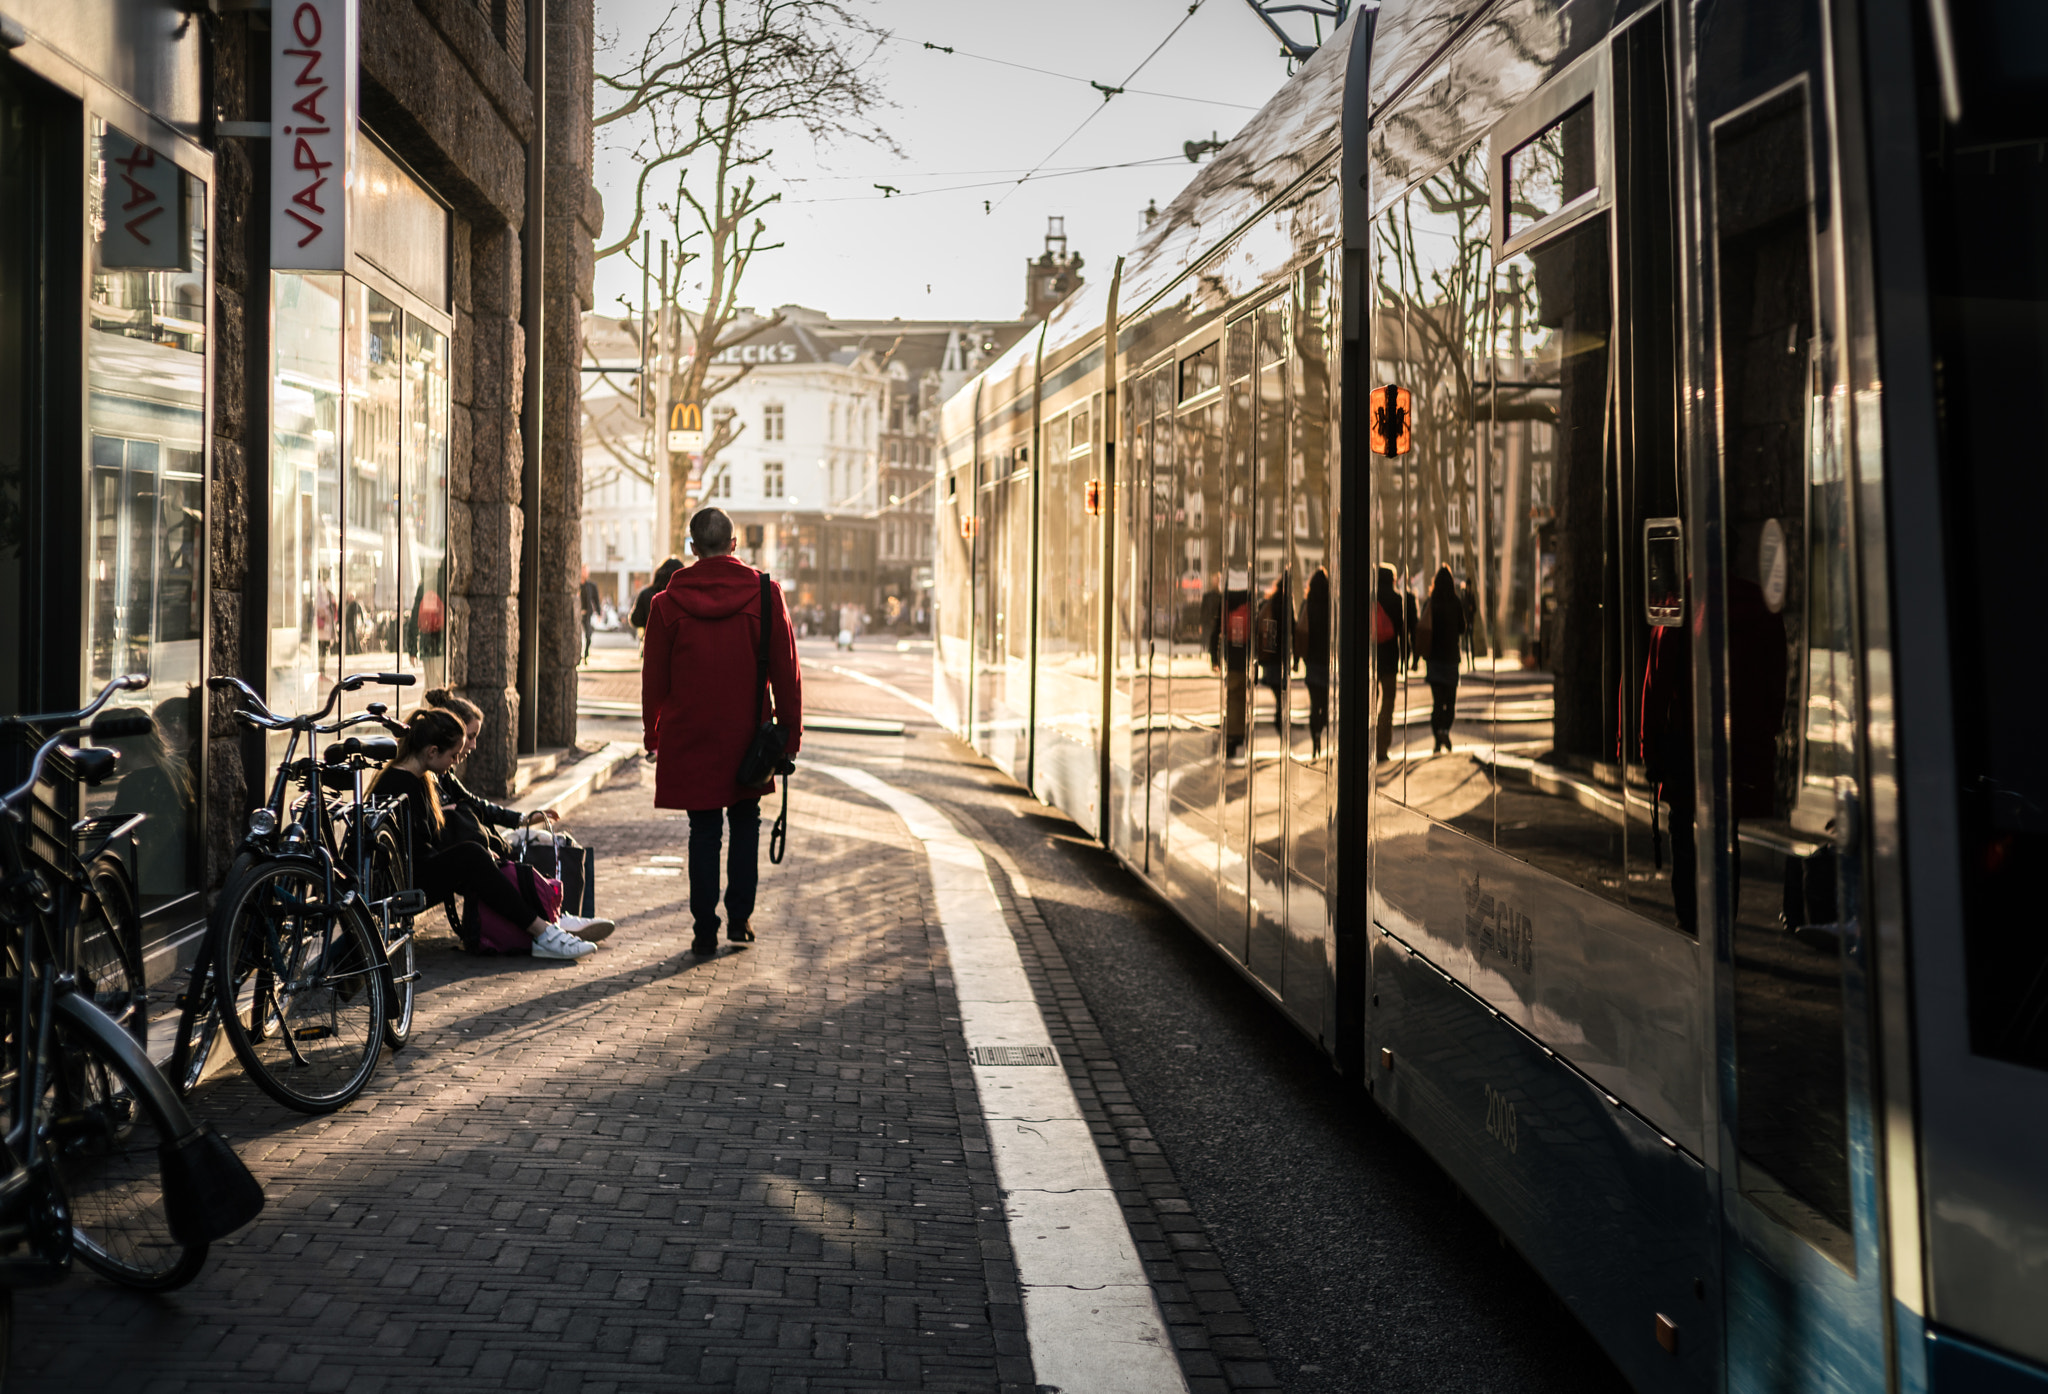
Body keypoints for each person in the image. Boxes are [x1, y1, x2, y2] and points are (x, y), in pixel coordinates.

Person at [643, 507, 803, 956]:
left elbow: (654, 679)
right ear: (734, 545)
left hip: (690, 734)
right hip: (747, 736)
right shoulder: (765, 595)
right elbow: (788, 673)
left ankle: (703, 927)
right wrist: (789, 738)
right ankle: (740, 919)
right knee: (746, 822)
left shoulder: (666, 604)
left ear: (693, 549)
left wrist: (652, 733)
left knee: (703, 829)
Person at [369, 708, 596, 960]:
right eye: (453, 756)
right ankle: (543, 930)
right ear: (432, 751)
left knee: (479, 855)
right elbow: (413, 853)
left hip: (411, 874)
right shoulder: (401, 785)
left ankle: (545, 922)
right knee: (474, 856)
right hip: (395, 887)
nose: (456, 762)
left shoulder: (420, 778)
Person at [422, 687, 614, 941]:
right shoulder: (429, 772)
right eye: (469, 737)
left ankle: (564, 914)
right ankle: (554, 917)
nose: (473, 745)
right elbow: (451, 821)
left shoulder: (444, 772)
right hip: (461, 855)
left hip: (474, 846)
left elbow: (476, 804)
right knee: (527, 851)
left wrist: (521, 819)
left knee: (558, 842)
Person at [1423, 565, 1466, 754]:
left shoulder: (1430, 603)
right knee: (1451, 702)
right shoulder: (1455, 602)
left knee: (1437, 702)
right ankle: (1445, 730)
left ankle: (1437, 740)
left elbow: (1422, 626)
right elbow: (1463, 628)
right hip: (1450, 659)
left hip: (1434, 659)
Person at [1298, 567, 1332, 759]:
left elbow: (1300, 630)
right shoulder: (1331, 605)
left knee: (1314, 703)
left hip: (1311, 662)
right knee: (1326, 704)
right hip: (1326, 662)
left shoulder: (1307, 604)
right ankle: (1322, 728)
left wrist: (1298, 658)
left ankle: (1315, 737)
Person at [1372, 565, 1404, 761]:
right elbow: (1401, 629)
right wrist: (1408, 656)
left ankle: (1368, 743)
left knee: (1371, 702)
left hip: (1372, 658)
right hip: (1390, 657)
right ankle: (1382, 747)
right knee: (1388, 702)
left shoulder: (1370, 597)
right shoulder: (1396, 599)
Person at [631, 557, 685, 645]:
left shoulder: (646, 594)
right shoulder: (684, 595)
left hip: (652, 644)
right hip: (679, 645)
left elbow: (635, 620)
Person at [579, 567, 602, 662]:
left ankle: (585, 654)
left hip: (587, 615)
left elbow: (596, 600)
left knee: (588, 636)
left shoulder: (591, 586)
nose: (585, 573)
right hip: (577, 615)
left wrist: (599, 613)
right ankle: (578, 655)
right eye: (584, 571)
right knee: (577, 637)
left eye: (587, 571)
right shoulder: (576, 585)